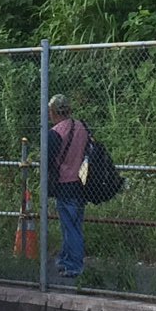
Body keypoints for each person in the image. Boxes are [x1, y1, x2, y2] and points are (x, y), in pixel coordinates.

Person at [45, 93, 91, 282]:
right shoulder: (82, 127)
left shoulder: (55, 133)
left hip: (65, 184)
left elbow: (49, 160)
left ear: (53, 112)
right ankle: (66, 258)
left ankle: (74, 265)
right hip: (82, 182)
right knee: (75, 223)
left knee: (69, 226)